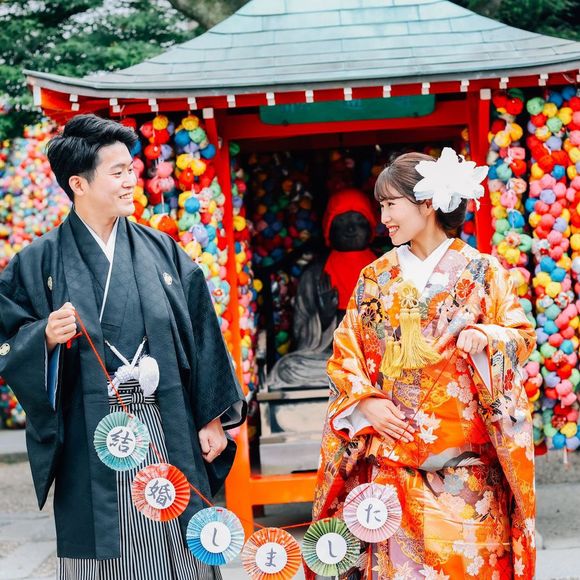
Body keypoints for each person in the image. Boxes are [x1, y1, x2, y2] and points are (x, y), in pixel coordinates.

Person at [0, 114, 246, 579]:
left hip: (166, 421)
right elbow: (7, 338)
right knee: (106, 551)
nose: (131, 181)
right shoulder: (38, 261)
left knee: (179, 542)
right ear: (78, 183)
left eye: (131, 169)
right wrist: (43, 336)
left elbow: (202, 332)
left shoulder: (163, 251)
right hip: (90, 428)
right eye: (118, 172)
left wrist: (211, 417)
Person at [312, 149, 536, 579]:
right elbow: (346, 354)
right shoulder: (375, 277)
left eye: (390, 204)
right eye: (381, 206)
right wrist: (364, 404)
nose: (383, 218)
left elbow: (521, 336)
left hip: (467, 480)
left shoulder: (483, 272)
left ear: (428, 203)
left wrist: (487, 337)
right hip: (392, 475)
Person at [267, 189, 377, 390]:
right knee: (286, 369)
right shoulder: (315, 275)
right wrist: (324, 319)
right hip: (329, 357)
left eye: (358, 221)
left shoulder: (386, 268)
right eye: (341, 222)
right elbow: (301, 332)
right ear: (328, 230)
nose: (350, 229)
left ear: (370, 227)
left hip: (375, 358)